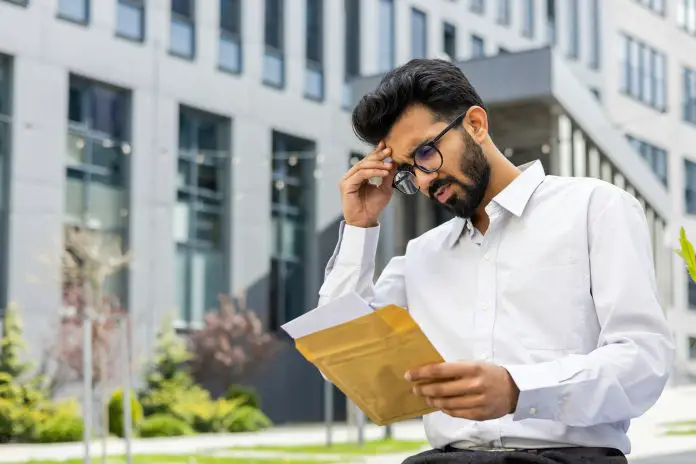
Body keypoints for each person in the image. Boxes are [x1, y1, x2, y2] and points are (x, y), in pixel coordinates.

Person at [316, 58, 675, 464]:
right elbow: (339, 356)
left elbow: (643, 362)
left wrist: (518, 389)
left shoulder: (594, 207)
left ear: (475, 124)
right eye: (405, 171)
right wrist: (359, 226)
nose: (422, 180)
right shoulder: (421, 256)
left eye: (426, 153)